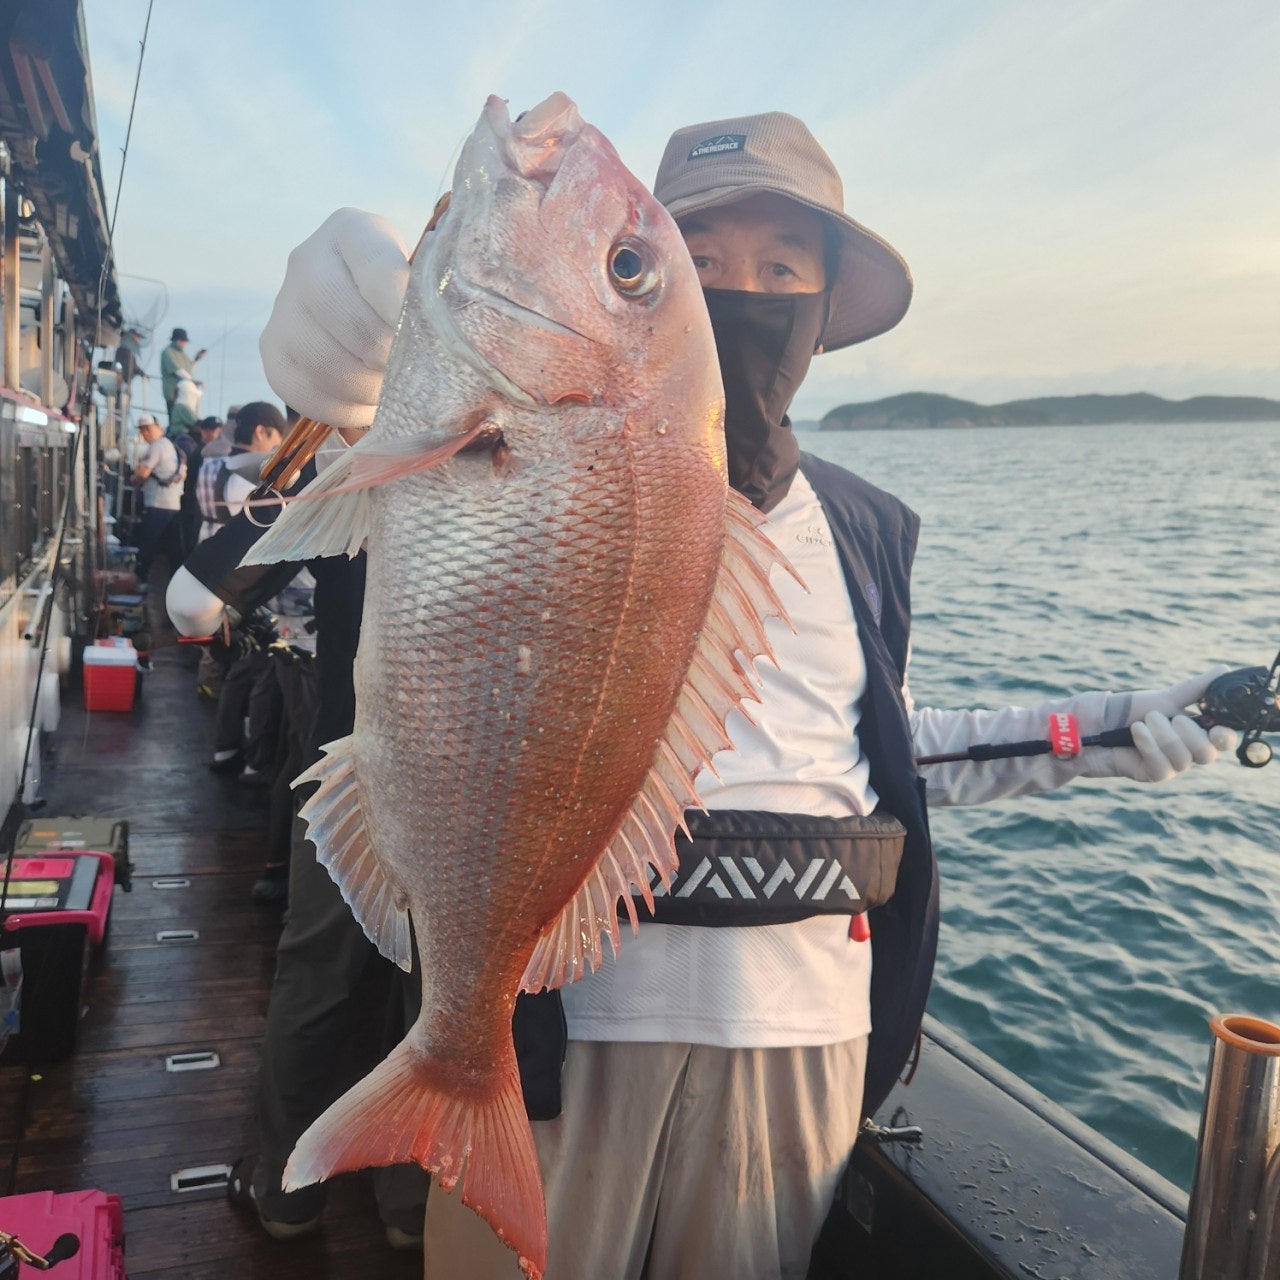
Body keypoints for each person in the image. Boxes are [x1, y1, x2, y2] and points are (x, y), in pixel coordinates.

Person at [216, 111, 1238, 1280]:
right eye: (690, 264)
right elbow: (416, 553)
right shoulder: (531, 443)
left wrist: (1110, 732)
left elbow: (891, 752)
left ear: (820, 308)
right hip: (567, 1026)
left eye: (782, 269)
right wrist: (359, 354)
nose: (743, 292)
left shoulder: (861, 527)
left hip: (803, 1037)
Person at [129, 413, 186, 585]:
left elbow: (143, 473)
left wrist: (133, 481)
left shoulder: (156, 447)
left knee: (147, 546)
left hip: (157, 505)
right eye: (142, 430)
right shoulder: (175, 449)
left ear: (158, 427)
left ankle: (140, 582)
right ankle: (176, 584)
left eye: (148, 429)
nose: (145, 434)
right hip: (174, 506)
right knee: (174, 552)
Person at [160, 327, 207, 425]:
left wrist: (197, 358)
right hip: (173, 393)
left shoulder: (182, 354)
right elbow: (178, 371)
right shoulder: (167, 352)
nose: (185, 344)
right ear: (177, 340)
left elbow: (189, 370)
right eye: (183, 341)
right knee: (174, 417)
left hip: (185, 394)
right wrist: (193, 381)